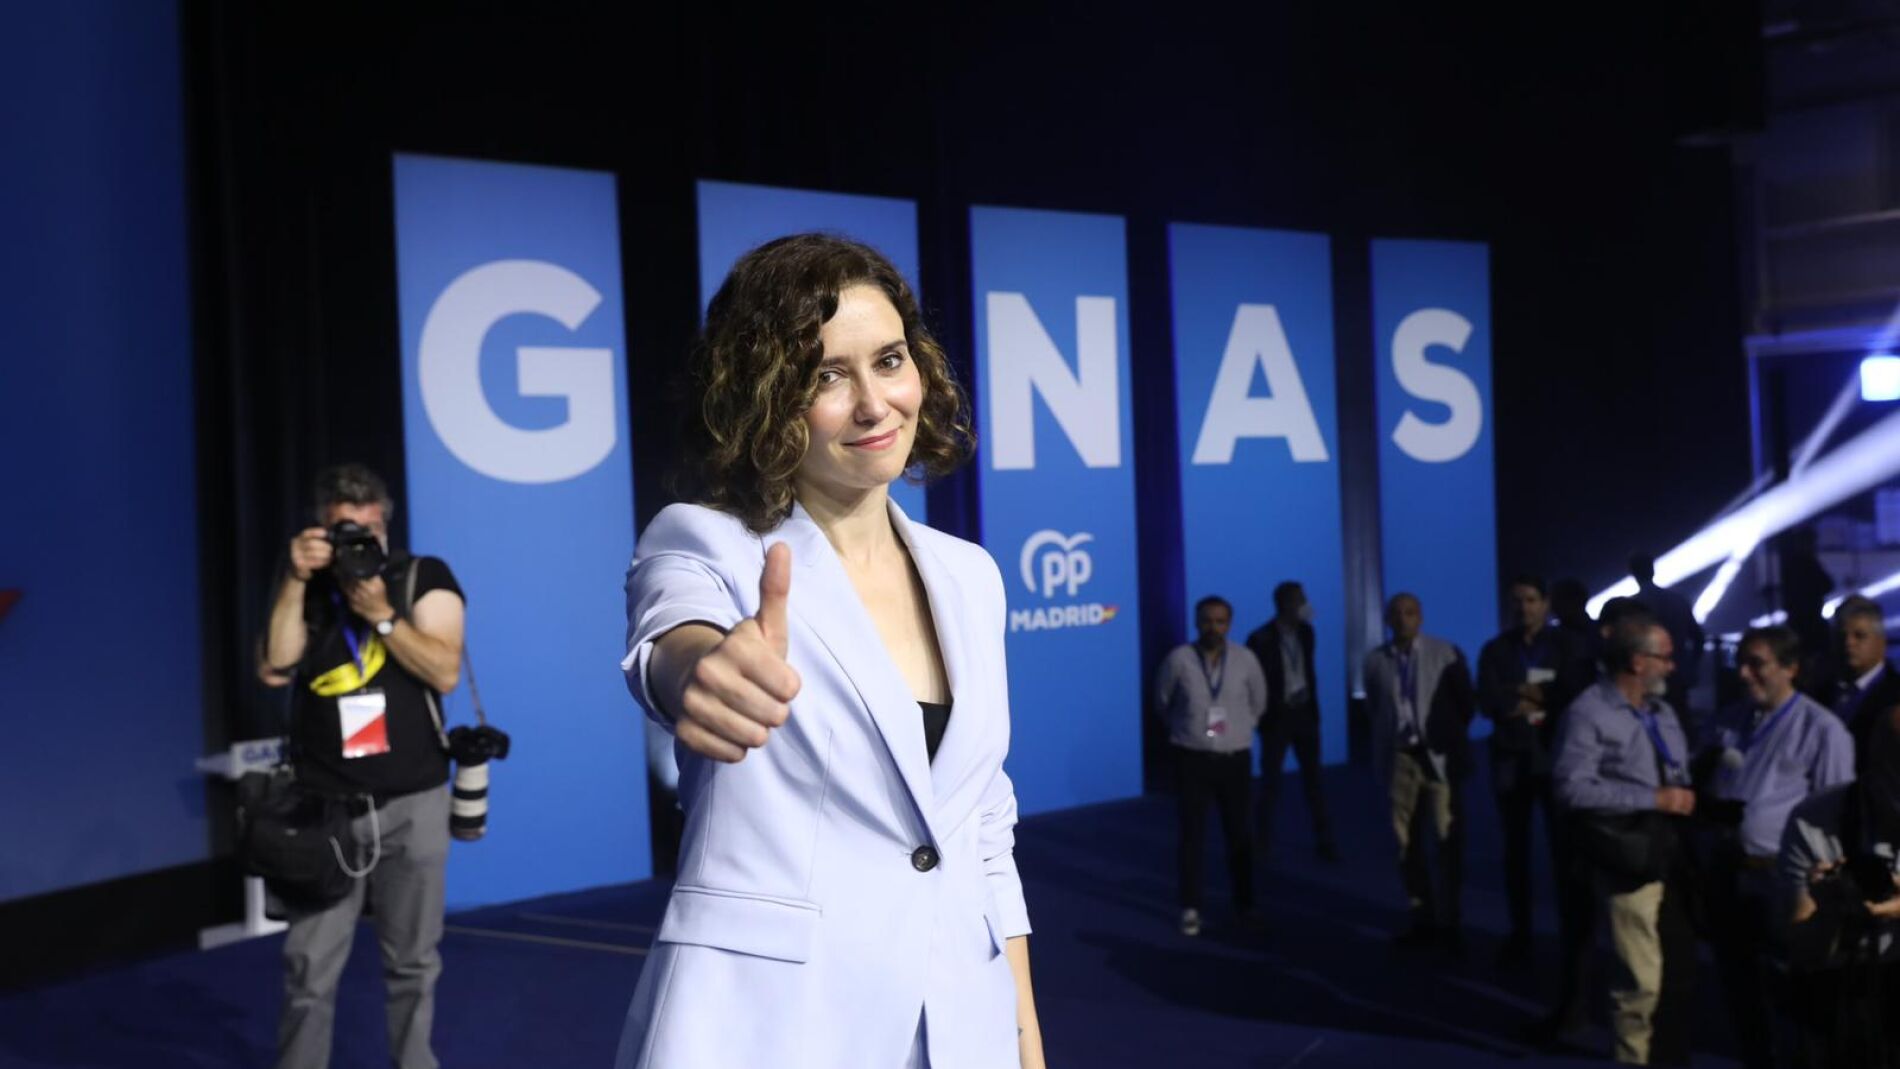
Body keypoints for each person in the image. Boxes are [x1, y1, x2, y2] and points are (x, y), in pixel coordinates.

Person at [615, 234, 1043, 1069]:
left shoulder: (972, 575)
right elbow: (672, 642)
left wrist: (1025, 1042)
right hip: (770, 1034)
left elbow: (985, 838)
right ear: (766, 397)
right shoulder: (705, 542)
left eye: (889, 360)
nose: (875, 404)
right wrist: (701, 674)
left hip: (961, 1035)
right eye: (826, 376)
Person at [261, 463, 466, 1069]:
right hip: (324, 810)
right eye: (343, 531)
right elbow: (274, 666)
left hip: (413, 804)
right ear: (321, 530)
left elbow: (444, 672)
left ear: (386, 528)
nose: (357, 543)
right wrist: (294, 578)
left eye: (367, 531)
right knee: (308, 968)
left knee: (414, 963)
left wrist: (382, 614)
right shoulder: (308, 586)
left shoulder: (422, 577)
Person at [1692, 625, 1853, 1069]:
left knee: (1792, 992)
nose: (1744, 673)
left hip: (1783, 881)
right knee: (1738, 985)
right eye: (1740, 663)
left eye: (1757, 664)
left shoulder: (1822, 730)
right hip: (1730, 872)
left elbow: (1837, 816)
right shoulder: (1729, 720)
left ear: (1790, 668)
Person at [1552, 611, 1696, 1066]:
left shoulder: (1662, 712)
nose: (1672, 667)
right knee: (1639, 982)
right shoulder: (1588, 712)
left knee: (1677, 973)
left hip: (1675, 855)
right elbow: (1570, 789)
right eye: (1665, 658)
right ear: (1638, 661)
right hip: (1628, 857)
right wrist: (1651, 798)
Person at [1477, 574, 1591, 968]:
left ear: (1545, 604)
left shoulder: (1566, 646)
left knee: (1565, 853)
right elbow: (1488, 700)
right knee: (1515, 851)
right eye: (1517, 600)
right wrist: (1537, 695)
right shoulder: (1496, 649)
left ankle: (1571, 937)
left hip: (1556, 756)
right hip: (1511, 757)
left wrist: (1518, 691)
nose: (1523, 607)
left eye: (1530, 600)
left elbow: (1572, 694)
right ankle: (1519, 933)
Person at [1780, 692, 1900, 1067]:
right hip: (1845, 991)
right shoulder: (1814, 821)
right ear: (1872, 768)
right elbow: (1802, 953)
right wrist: (1829, 910)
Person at [1364, 593, 1474, 952]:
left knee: (1446, 839)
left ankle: (1450, 921)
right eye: (1396, 613)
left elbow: (1465, 703)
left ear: (1420, 617)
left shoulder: (1445, 652)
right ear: (1387, 619)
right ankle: (1421, 916)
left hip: (1437, 756)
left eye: (1409, 612)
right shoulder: (1375, 661)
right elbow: (1375, 708)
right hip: (1400, 758)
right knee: (1405, 843)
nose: (1403, 619)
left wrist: (1447, 738)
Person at [1158, 595, 1269, 936]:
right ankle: (1191, 906)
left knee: (1239, 835)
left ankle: (1245, 905)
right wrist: (1188, 730)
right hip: (1192, 757)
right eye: (1207, 620)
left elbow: (1259, 702)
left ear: (1229, 624)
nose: (1213, 627)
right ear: (1197, 622)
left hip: (1234, 759)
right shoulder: (1179, 659)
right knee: (1192, 836)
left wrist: (1238, 731)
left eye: (1220, 622)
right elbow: (1163, 701)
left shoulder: (1245, 659)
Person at [1244, 580, 1339, 864]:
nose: (1306, 604)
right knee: (1271, 782)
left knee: (1314, 780)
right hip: (1277, 717)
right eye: (1301, 599)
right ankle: (1262, 841)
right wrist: (1263, 713)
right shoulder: (1260, 638)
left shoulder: (1307, 632)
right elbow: (1254, 681)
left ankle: (1325, 840)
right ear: (1286, 604)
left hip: (1305, 714)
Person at [1629, 553, 1704, 736]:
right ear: (1653, 570)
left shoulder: (1634, 605)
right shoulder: (1677, 600)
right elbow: (1698, 637)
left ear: (1633, 573)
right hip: (1678, 674)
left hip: (1648, 678)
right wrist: (1690, 666)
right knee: (1681, 723)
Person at [1832, 597, 1900, 735]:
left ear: (1881, 642)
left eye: (1859, 636)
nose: (1848, 642)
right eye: (1841, 635)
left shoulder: (1896, 694)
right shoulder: (1823, 692)